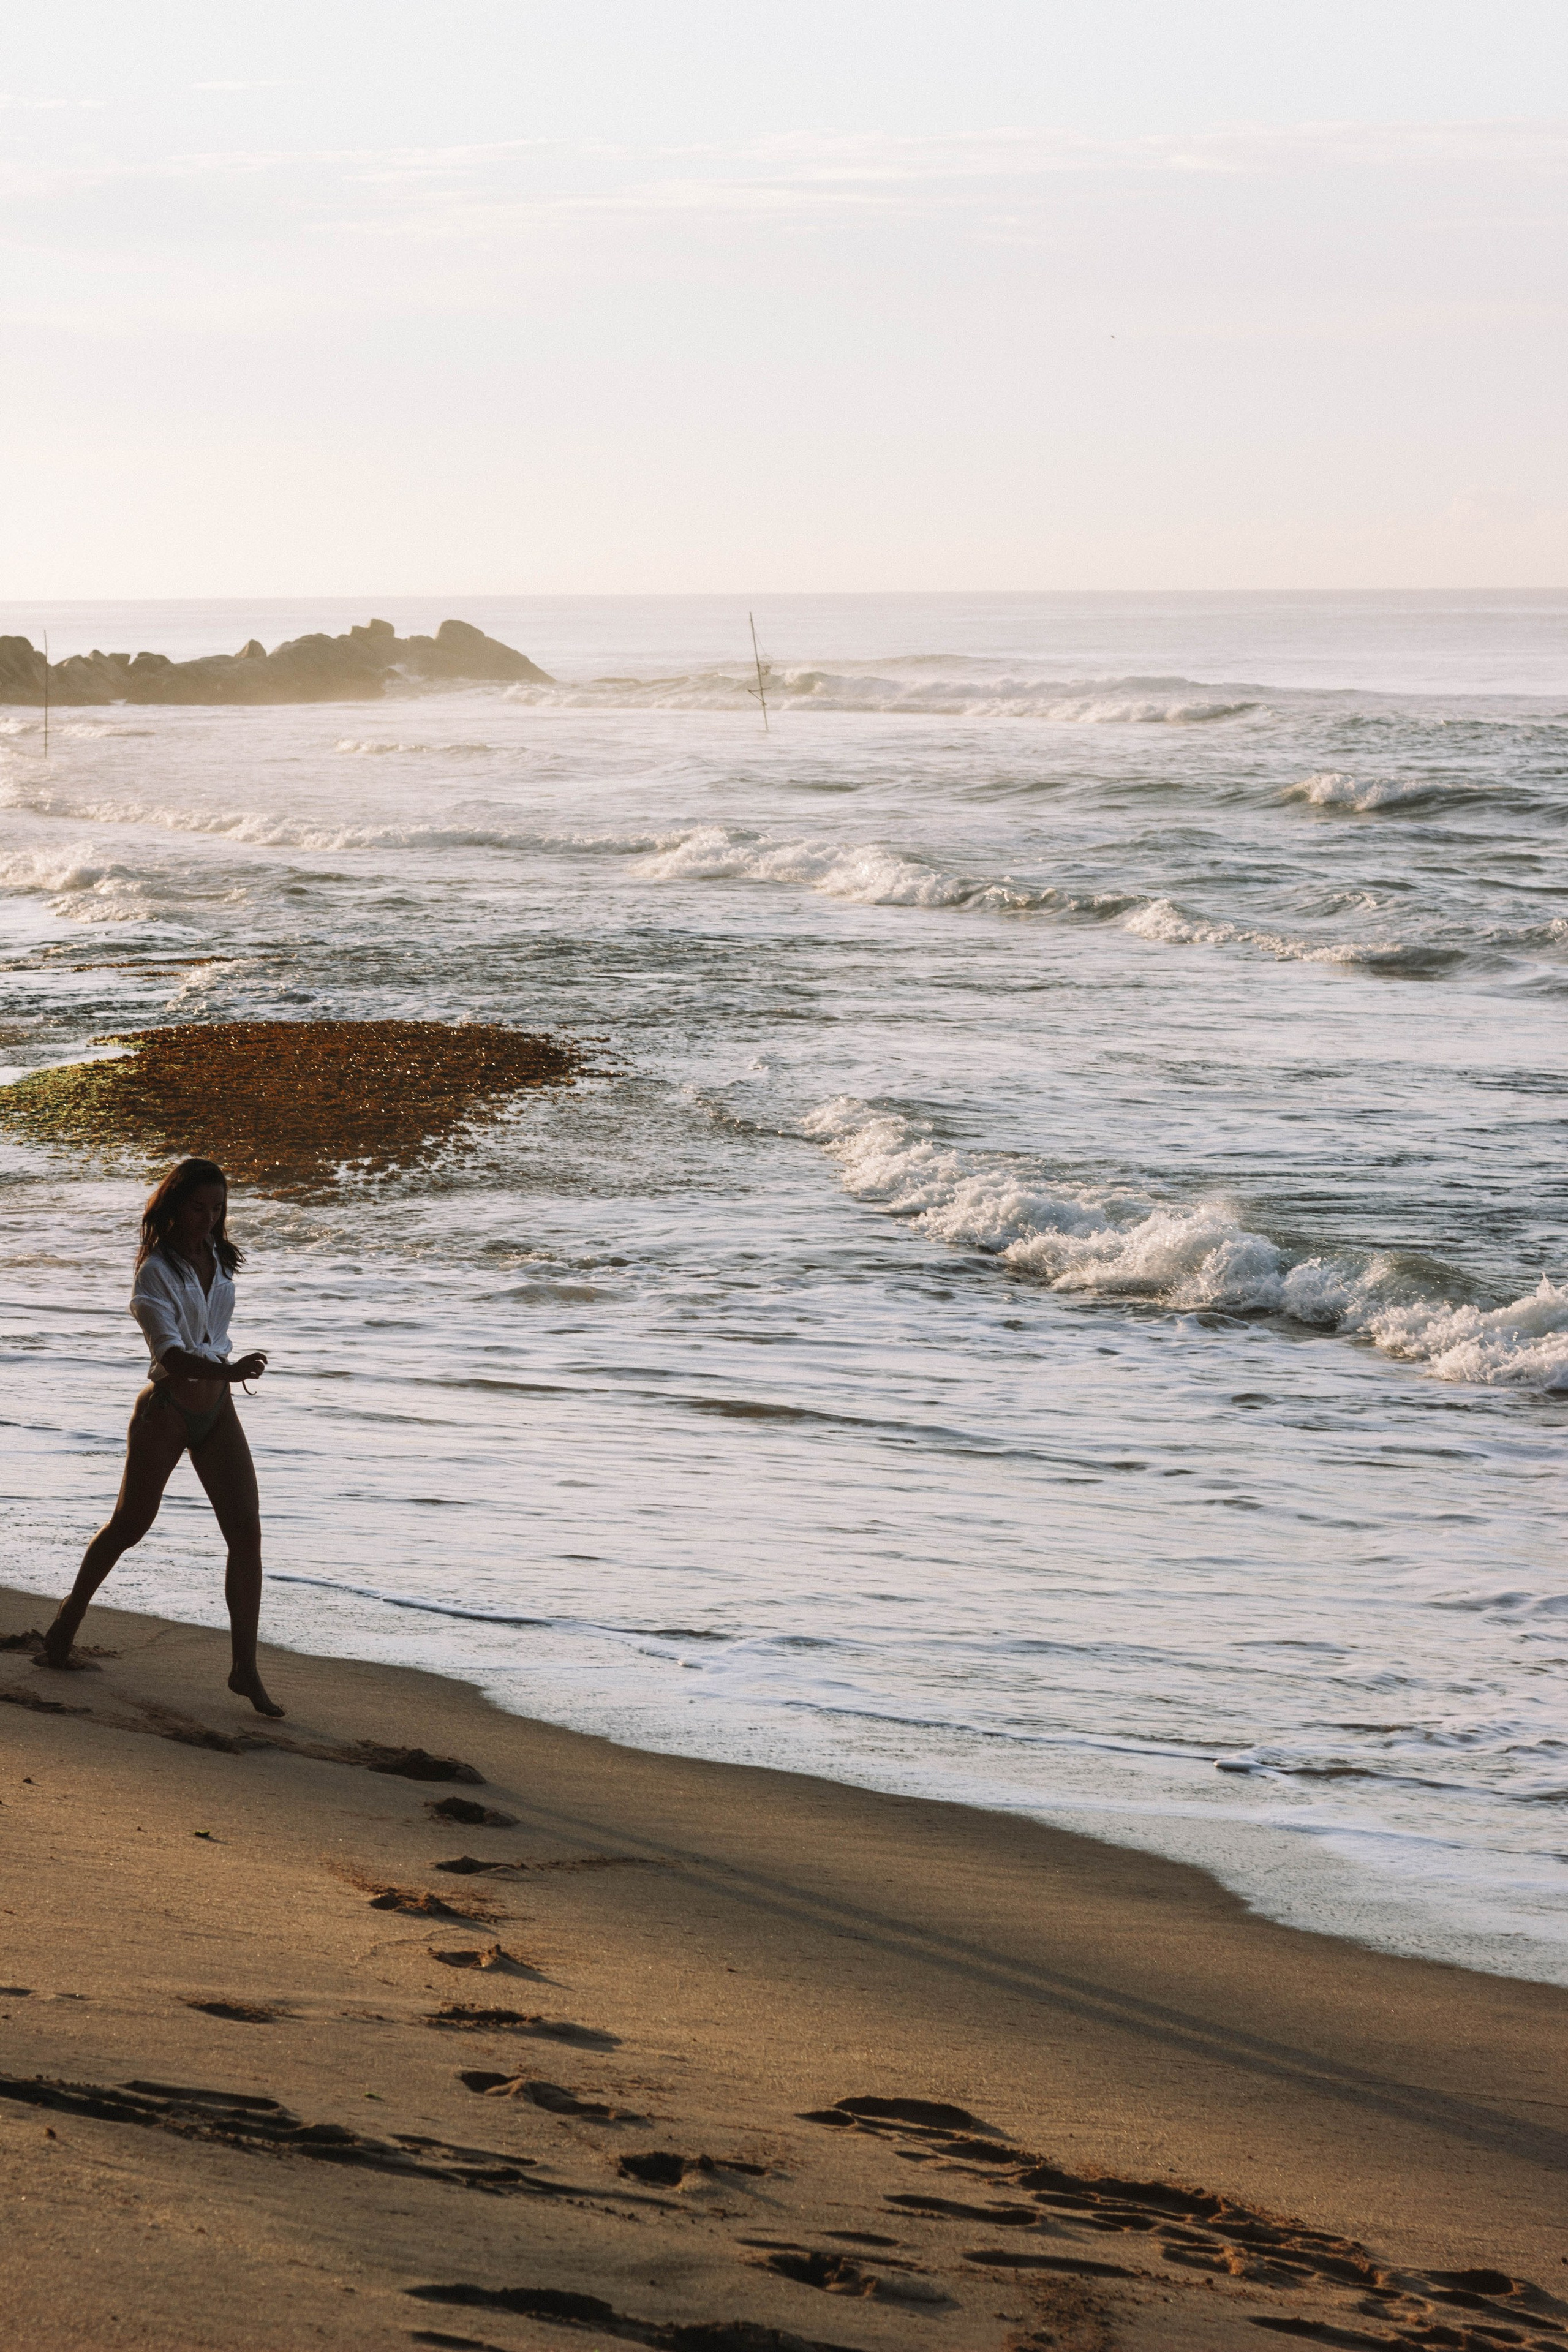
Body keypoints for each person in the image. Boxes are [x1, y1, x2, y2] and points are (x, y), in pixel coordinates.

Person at [41, 1156, 284, 1716]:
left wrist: (225, 1378)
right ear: (174, 1206)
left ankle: (244, 1668)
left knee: (246, 1535)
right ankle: (68, 1618)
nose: (208, 1218)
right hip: (169, 1411)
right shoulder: (154, 1271)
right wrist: (231, 1371)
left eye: (217, 1208)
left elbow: (210, 1335)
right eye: (198, 1207)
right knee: (130, 1525)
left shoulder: (219, 1258)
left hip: (218, 1412)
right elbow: (171, 1355)